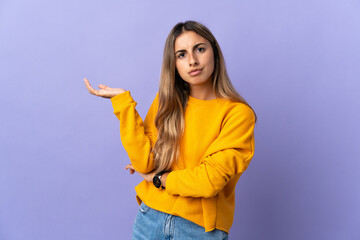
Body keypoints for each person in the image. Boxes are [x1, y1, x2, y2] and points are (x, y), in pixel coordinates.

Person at [84, 20, 257, 240]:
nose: (192, 61)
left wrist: (157, 179)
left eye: (200, 50)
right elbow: (145, 162)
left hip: (200, 229)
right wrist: (123, 105)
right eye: (181, 55)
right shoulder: (168, 102)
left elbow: (208, 181)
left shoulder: (238, 114)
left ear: (214, 52)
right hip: (150, 218)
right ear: (173, 63)